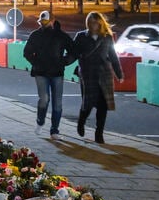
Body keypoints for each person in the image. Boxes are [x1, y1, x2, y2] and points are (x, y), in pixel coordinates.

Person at [23, 10, 76, 140]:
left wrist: (64, 62)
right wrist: (36, 63)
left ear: (52, 21)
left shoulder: (61, 36)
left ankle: (54, 130)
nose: (43, 24)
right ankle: (40, 121)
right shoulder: (35, 35)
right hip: (41, 72)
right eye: (41, 22)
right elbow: (27, 52)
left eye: (45, 22)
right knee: (44, 99)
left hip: (57, 73)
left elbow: (73, 51)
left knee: (57, 103)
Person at [74, 12, 123, 144]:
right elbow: (73, 53)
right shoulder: (81, 36)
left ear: (100, 22)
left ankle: (99, 134)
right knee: (88, 103)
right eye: (91, 22)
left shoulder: (107, 37)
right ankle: (81, 122)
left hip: (104, 73)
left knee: (103, 105)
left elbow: (113, 56)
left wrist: (119, 74)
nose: (93, 25)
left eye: (96, 22)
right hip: (88, 73)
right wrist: (63, 62)